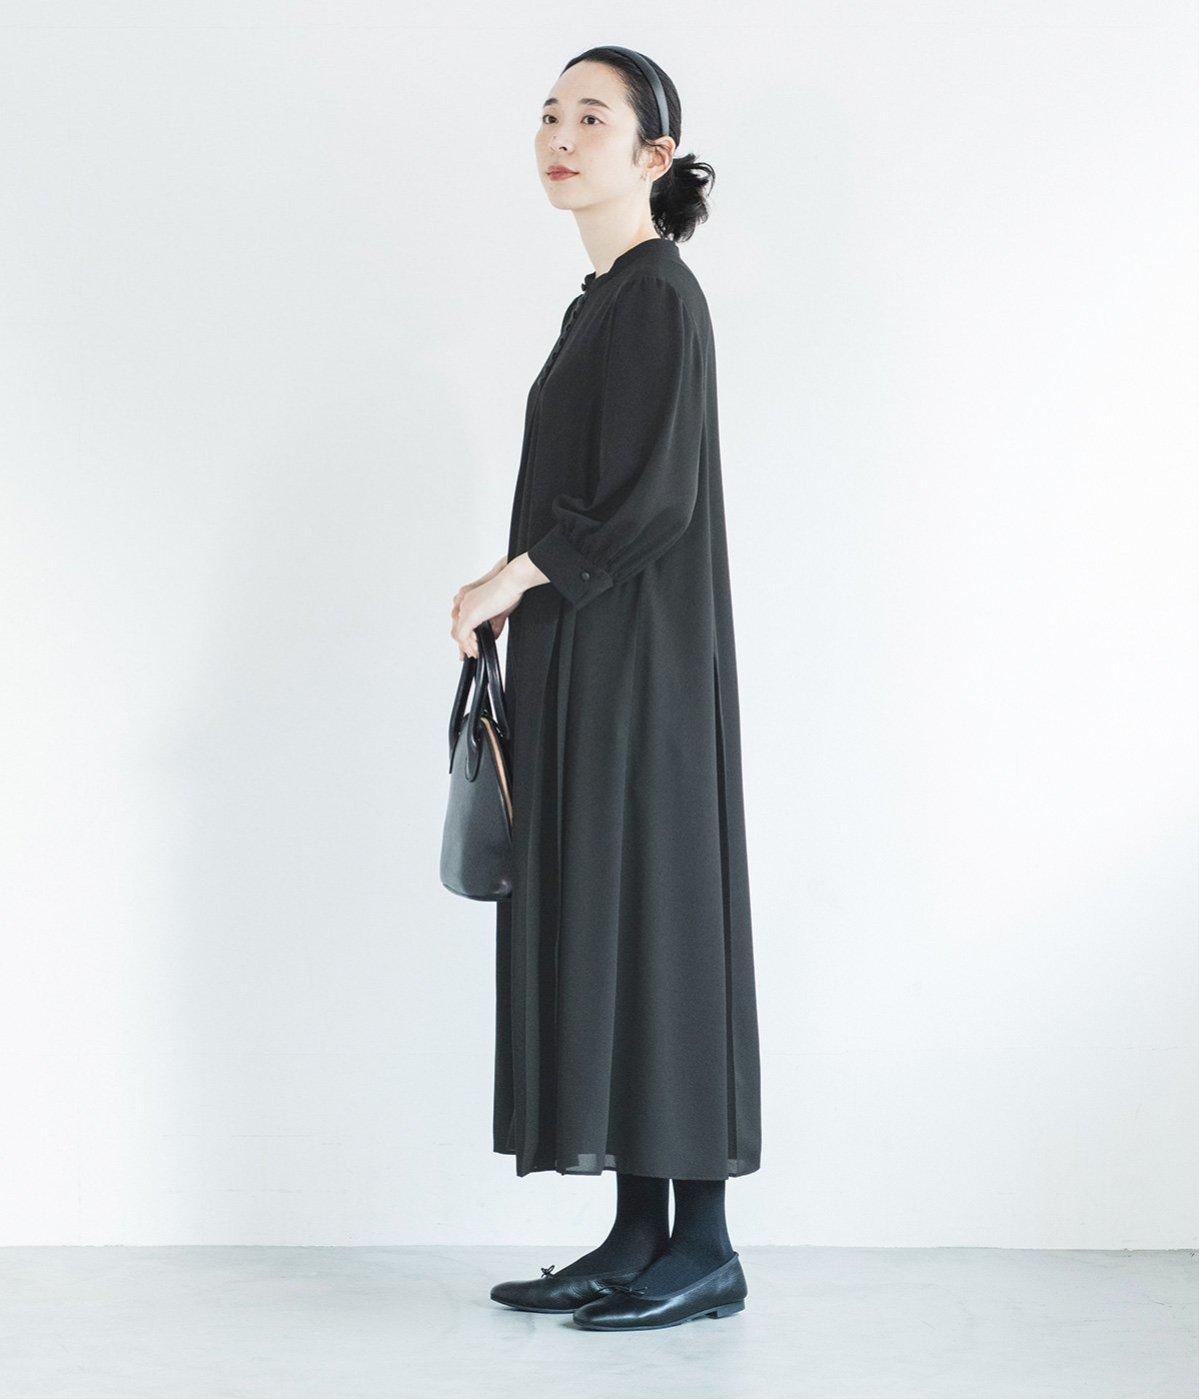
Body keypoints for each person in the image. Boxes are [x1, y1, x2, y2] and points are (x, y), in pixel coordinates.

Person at [450, 45, 762, 1332]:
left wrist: (512, 575)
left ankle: (706, 1247)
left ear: (654, 155)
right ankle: (639, 1233)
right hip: (594, 654)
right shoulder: (606, 300)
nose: (559, 136)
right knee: (610, 916)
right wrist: (525, 593)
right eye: (548, 114)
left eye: (591, 117)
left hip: (641, 671)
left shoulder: (657, 297)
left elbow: (652, 500)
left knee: (661, 919)